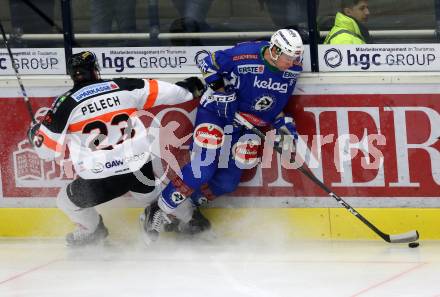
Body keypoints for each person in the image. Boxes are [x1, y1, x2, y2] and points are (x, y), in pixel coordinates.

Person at [141, 28, 304, 242]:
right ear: (274, 50)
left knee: (228, 182)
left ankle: (186, 207)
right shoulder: (245, 54)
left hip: (246, 127)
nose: (293, 62)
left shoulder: (291, 71)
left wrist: (284, 127)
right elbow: (208, 62)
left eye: (296, 57)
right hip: (216, 114)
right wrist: (219, 92)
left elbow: (275, 104)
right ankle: (159, 209)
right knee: (203, 167)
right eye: (289, 57)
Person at [27, 51, 206, 246]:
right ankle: (190, 219)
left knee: (65, 202)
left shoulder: (65, 104)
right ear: (95, 70)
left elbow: (46, 152)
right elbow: (172, 92)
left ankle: (94, 230)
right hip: (138, 167)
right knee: (153, 195)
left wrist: (35, 134)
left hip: (101, 179)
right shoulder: (123, 85)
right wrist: (190, 89)